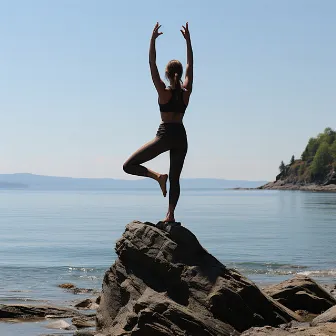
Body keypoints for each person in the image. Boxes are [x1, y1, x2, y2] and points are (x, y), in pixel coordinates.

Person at [123, 22, 193, 223]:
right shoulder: (186, 92)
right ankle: (170, 215)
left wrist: (152, 41)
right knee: (176, 178)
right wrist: (188, 42)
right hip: (180, 135)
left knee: (129, 165)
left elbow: (151, 64)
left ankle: (157, 177)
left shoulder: (163, 91)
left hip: (165, 135)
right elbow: (190, 65)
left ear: (167, 74)